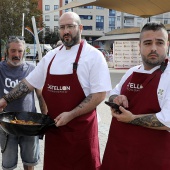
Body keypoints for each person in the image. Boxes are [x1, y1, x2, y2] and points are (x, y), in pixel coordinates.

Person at [0, 12, 112, 170]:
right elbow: (28, 83)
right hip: (55, 130)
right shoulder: (51, 57)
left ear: (80, 28)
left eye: (70, 26)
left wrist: (71, 114)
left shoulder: (94, 56)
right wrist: (5, 100)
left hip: (81, 132)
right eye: (62, 27)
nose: (66, 31)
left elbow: (99, 94)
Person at [101, 22, 170, 170]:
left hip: (152, 159)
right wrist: (117, 99)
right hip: (119, 154)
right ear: (139, 46)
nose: (153, 48)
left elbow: (167, 120)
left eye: (159, 43)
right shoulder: (132, 72)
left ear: (167, 45)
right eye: (147, 43)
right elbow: (113, 93)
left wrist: (132, 119)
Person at [0, 37, 47, 170]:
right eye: (13, 51)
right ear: (6, 51)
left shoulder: (32, 69)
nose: (16, 55)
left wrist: (45, 118)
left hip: (29, 124)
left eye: (20, 51)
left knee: (30, 163)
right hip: (6, 125)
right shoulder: (0, 69)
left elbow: (41, 95)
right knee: (8, 166)